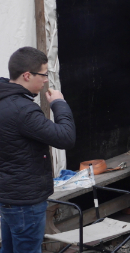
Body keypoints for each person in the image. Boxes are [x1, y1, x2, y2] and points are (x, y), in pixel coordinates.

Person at [0, 47, 76, 253]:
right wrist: (59, 103)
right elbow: (66, 137)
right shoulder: (22, 110)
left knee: (8, 249)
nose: (45, 80)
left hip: (8, 195)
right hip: (25, 200)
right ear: (27, 75)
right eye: (43, 74)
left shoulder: (4, 98)